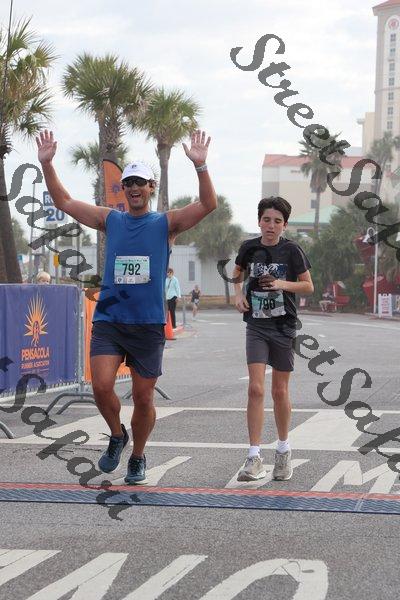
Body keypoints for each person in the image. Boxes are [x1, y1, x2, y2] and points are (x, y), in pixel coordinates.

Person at [36, 129, 217, 484]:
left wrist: (200, 166)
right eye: (129, 183)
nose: (134, 188)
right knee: (102, 386)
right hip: (111, 320)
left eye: (140, 183)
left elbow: (208, 204)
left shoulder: (166, 223)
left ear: (151, 187)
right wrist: (47, 165)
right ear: (124, 189)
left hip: (147, 325)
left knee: (143, 397)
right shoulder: (111, 219)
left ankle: (137, 456)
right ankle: (117, 435)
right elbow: (65, 201)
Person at [233, 197, 313, 482]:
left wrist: (280, 283)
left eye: (277, 221)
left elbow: (308, 286)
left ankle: (283, 450)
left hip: (283, 327)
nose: (271, 225)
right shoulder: (249, 247)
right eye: (266, 220)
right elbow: (237, 272)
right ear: (259, 221)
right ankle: (254, 457)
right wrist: (238, 295)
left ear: (284, 225)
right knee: (255, 389)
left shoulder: (292, 250)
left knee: (279, 391)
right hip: (256, 325)